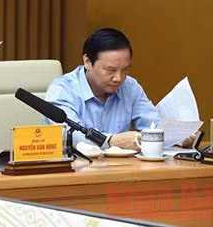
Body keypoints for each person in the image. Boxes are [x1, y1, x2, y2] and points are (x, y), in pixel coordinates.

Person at [43, 27, 194, 150]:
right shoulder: (62, 89)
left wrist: (177, 136)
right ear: (87, 62)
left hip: (121, 169)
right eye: (110, 70)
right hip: (72, 169)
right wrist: (112, 141)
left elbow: (153, 124)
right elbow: (70, 136)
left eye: (125, 69)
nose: (119, 78)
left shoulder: (130, 87)